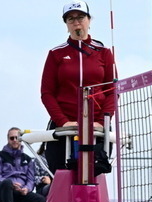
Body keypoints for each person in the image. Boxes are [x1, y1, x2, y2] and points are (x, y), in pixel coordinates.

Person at [41, 1, 116, 174]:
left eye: (80, 17)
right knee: (61, 174)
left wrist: (103, 121)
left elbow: (112, 91)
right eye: (71, 18)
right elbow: (47, 93)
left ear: (89, 20)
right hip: (63, 125)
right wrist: (63, 121)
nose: (76, 22)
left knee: (94, 175)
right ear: (66, 24)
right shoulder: (56, 54)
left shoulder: (103, 52)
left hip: (97, 126)